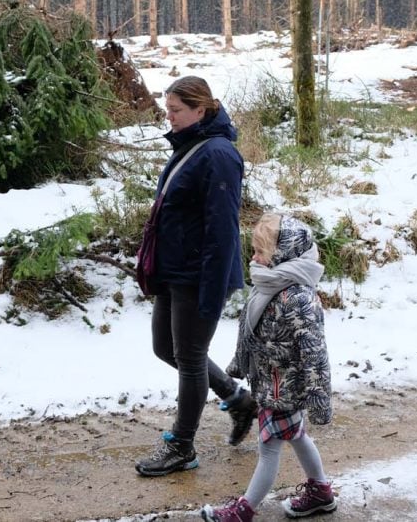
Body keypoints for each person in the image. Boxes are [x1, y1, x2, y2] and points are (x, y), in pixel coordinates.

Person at [134, 75, 258, 477]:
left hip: (197, 274)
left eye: (175, 111)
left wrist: (213, 289)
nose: (168, 117)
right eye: (167, 109)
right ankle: (238, 399)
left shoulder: (219, 155)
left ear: (201, 110)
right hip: (173, 269)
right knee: (165, 349)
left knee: (188, 358)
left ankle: (182, 447)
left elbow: (223, 230)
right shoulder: (190, 145)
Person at [201, 213, 336, 521]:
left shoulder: (298, 297)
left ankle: (243, 510)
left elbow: (315, 353)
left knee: (269, 448)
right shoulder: (271, 285)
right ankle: (321, 491)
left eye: (261, 251)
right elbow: (253, 332)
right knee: (298, 436)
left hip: (285, 389)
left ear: (283, 254)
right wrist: (242, 363)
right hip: (270, 382)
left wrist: (318, 398)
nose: (254, 256)